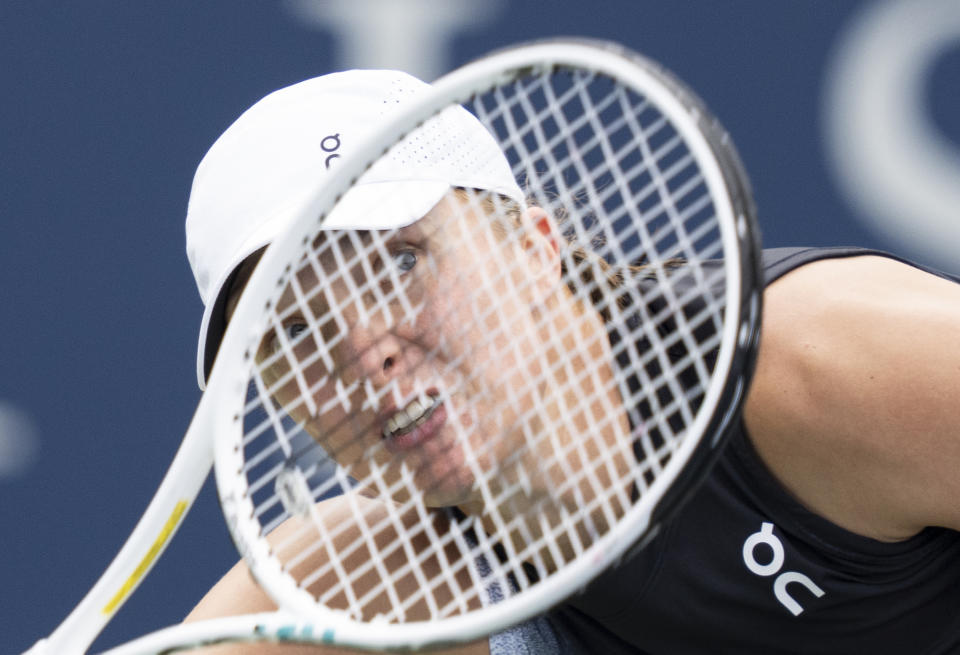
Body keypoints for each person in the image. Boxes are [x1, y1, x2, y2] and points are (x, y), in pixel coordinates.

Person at [182, 69, 960, 654]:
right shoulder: (341, 588)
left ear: (534, 244)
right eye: (292, 331)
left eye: (401, 264)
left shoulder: (825, 363)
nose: (364, 352)